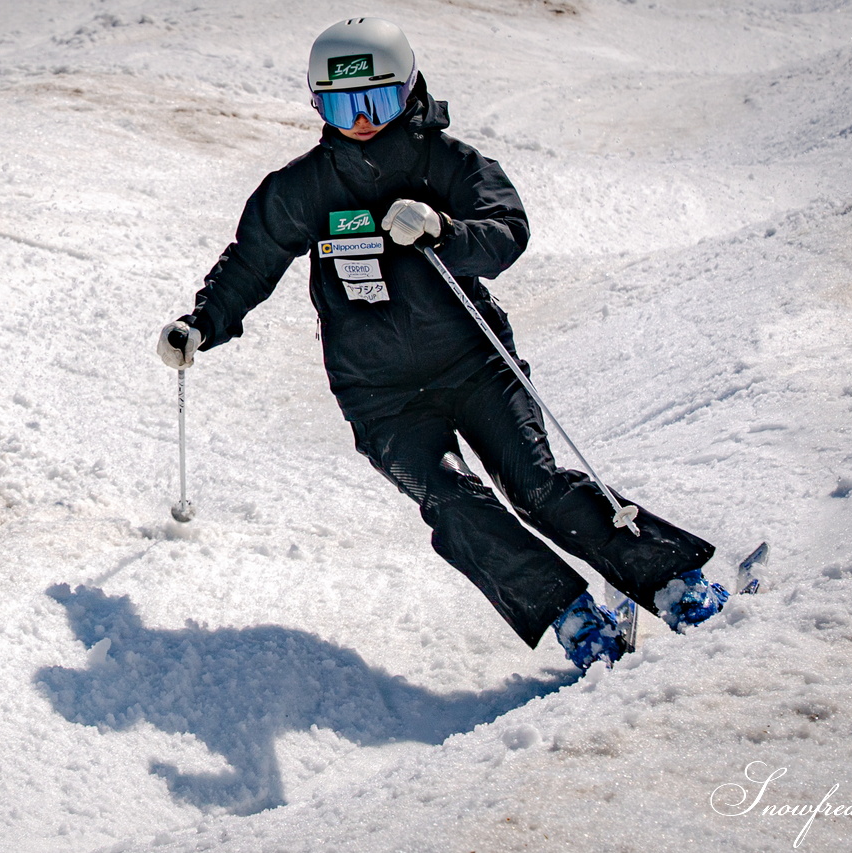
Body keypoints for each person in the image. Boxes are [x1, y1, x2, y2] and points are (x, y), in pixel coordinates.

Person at [156, 17, 728, 670]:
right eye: (343, 106)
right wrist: (202, 324)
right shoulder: (303, 188)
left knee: (537, 486)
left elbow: (507, 230)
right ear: (318, 106)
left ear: (408, 91)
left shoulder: (447, 163)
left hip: (476, 366)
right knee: (455, 505)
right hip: (380, 397)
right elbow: (250, 262)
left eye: (378, 102)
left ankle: (675, 584)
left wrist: (445, 230)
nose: (361, 121)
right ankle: (574, 620)